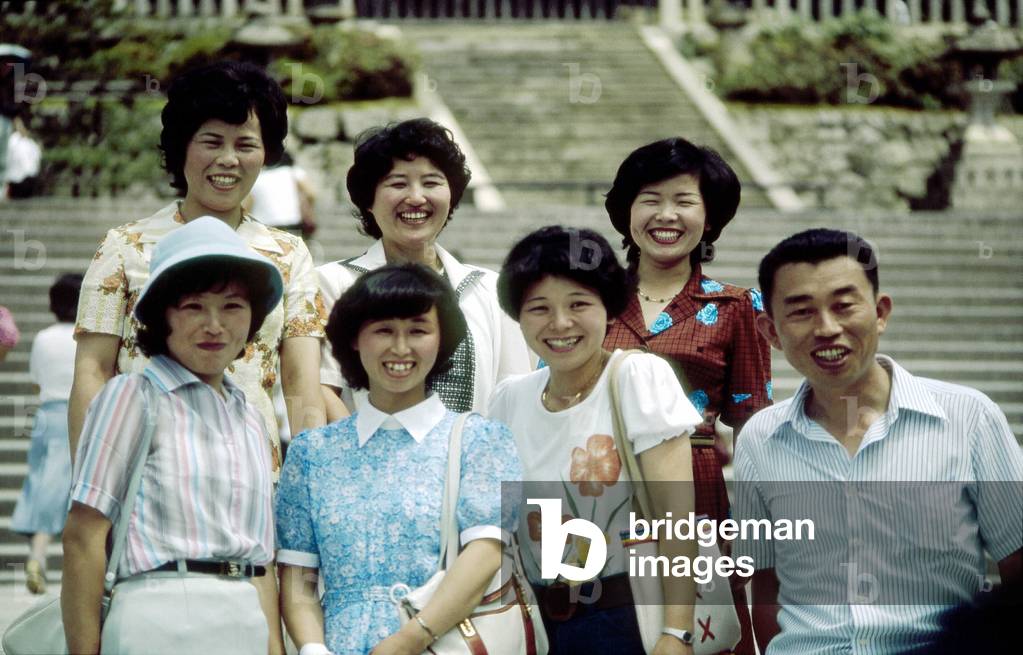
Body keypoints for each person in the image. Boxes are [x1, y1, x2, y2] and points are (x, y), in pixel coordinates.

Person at [734, 228, 1023, 654]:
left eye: (844, 305)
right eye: (801, 312)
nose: (827, 328)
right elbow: (766, 583)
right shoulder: (760, 438)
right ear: (771, 332)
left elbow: (1016, 563)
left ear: (881, 312)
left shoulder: (969, 418)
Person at [70, 61, 326, 479]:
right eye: (211, 142)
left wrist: (309, 488)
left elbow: (300, 381)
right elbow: (93, 371)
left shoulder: (287, 253)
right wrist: (92, 488)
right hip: (145, 478)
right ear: (181, 146)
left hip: (253, 483)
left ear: (266, 154)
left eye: (245, 145)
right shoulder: (125, 247)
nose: (228, 160)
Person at [62, 217, 285, 654]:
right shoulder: (134, 396)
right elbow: (83, 535)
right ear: (161, 315)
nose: (215, 325)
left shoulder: (249, 417)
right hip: (161, 614)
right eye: (193, 307)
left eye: (233, 307)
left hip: (244, 617)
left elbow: (259, 561)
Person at [276, 263, 522, 655]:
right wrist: (312, 648)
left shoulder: (484, 440)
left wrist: (410, 639)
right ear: (355, 339)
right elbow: (296, 576)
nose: (401, 348)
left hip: (442, 643)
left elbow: (486, 555)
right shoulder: (311, 453)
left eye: (418, 330)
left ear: (442, 339)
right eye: (384, 330)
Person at [489, 226, 701, 655]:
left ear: (608, 307)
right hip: (539, 621)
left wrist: (677, 633)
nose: (560, 323)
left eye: (579, 304)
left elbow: (677, 521)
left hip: (628, 618)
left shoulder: (638, 379)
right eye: (539, 308)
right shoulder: (509, 399)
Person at [603, 137, 771, 654]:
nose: (666, 215)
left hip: (696, 491)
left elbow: (754, 423)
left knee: (700, 635)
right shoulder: (589, 300)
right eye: (650, 199)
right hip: (597, 484)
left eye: (684, 200)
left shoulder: (737, 306)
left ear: (710, 216)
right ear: (627, 211)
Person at [317, 118, 531, 419]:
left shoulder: (489, 289)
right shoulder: (334, 283)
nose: (416, 198)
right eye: (398, 183)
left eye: (431, 182)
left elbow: (514, 398)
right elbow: (324, 390)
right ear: (369, 199)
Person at [10, 273, 81, 595]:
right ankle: (74, 563)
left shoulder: (43, 338)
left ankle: (37, 555)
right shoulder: (86, 337)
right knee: (79, 491)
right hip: (79, 414)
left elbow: (37, 379)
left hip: (46, 416)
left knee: (43, 485)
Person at [243, 151, 318, 239]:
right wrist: (308, 209)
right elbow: (311, 194)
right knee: (294, 251)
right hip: (291, 223)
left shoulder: (257, 177)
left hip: (263, 227)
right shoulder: (294, 172)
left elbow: (246, 207)